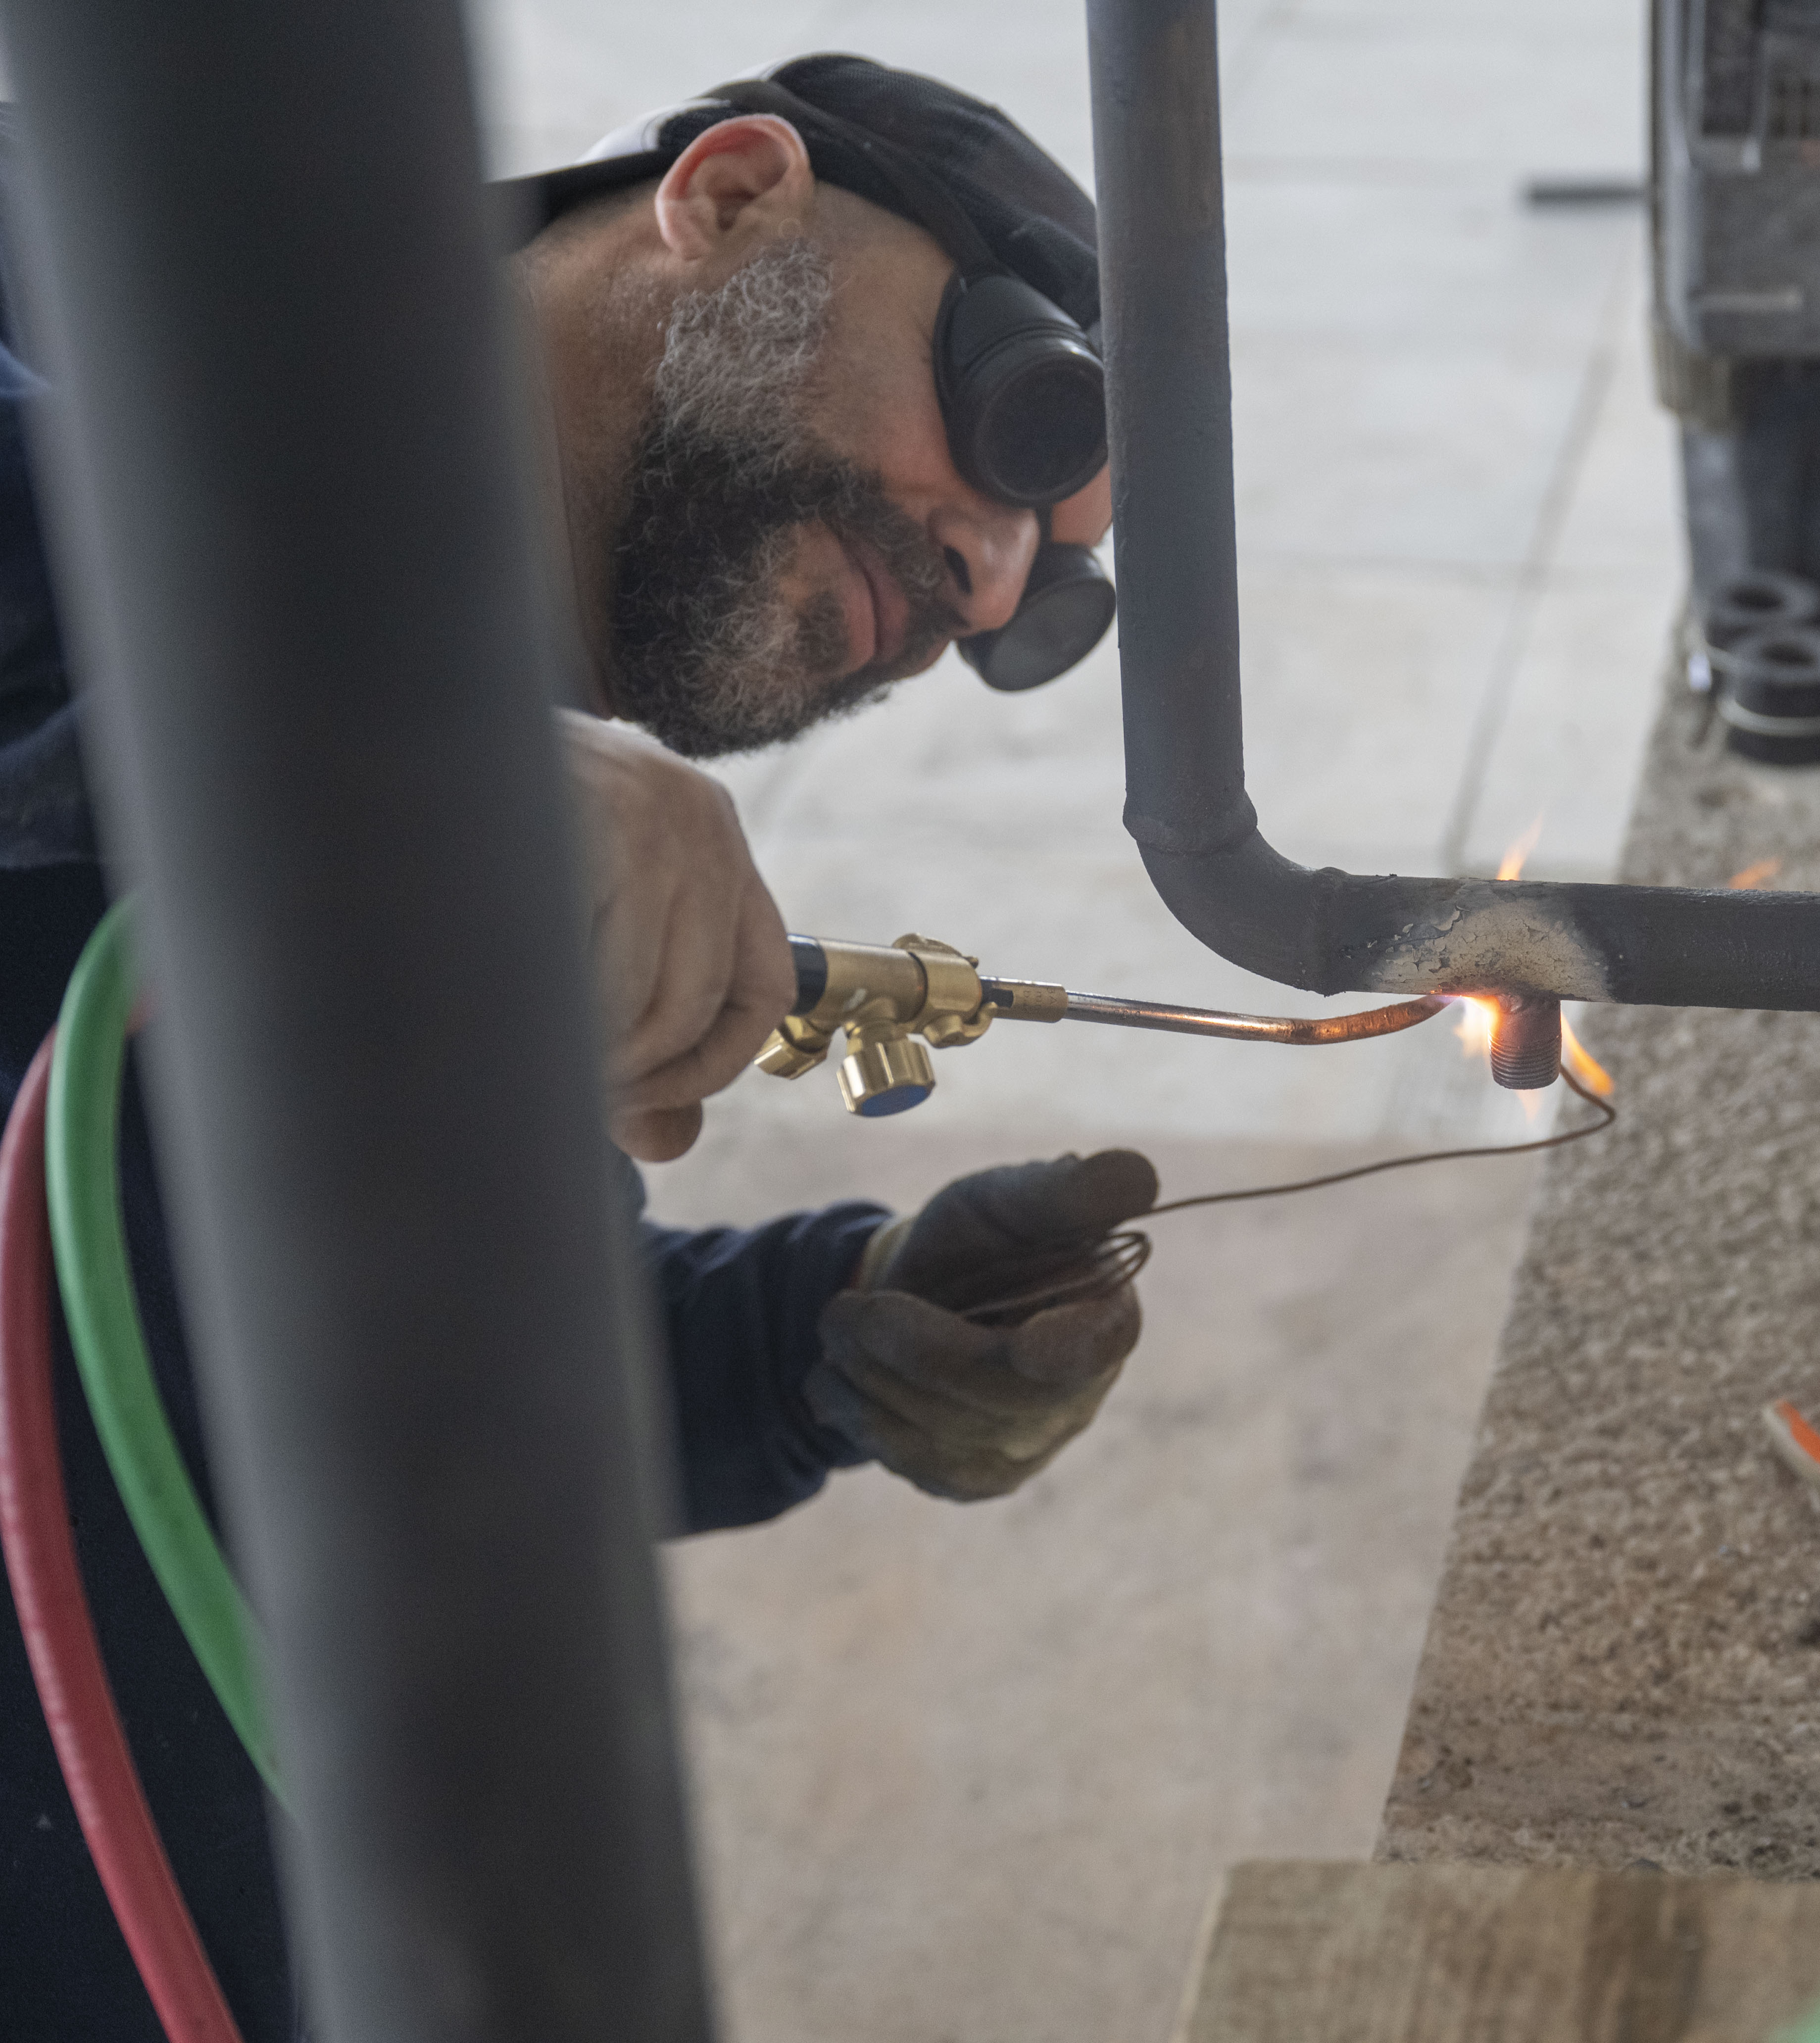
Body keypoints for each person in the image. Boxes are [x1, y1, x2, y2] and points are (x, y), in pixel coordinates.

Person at [0, 55, 1152, 2038]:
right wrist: (361, 772)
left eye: (1033, 599)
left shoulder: (527, 826)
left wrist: (816, 1342)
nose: (980, 581)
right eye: (1011, 404)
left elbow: (376, 1384)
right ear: (729, 195)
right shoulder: (102, 311)